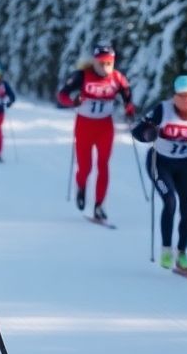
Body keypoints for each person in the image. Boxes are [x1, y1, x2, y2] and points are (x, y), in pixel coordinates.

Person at [132, 74, 187, 276]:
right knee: (170, 201)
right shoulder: (162, 110)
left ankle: (181, 254)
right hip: (159, 162)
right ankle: (166, 249)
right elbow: (137, 131)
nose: (184, 100)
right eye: (180, 95)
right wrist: (148, 134)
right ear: (174, 96)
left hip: (185, 165)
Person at [57, 41, 135, 223]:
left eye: (109, 63)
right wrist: (73, 102)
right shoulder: (82, 75)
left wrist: (129, 108)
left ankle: (99, 205)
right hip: (84, 126)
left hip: (105, 127)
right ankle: (81, 186)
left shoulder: (117, 78)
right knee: (85, 167)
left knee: (103, 165)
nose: (105, 66)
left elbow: (127, 96)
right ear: (94, 62)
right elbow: (62, 95)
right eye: (101, 63)